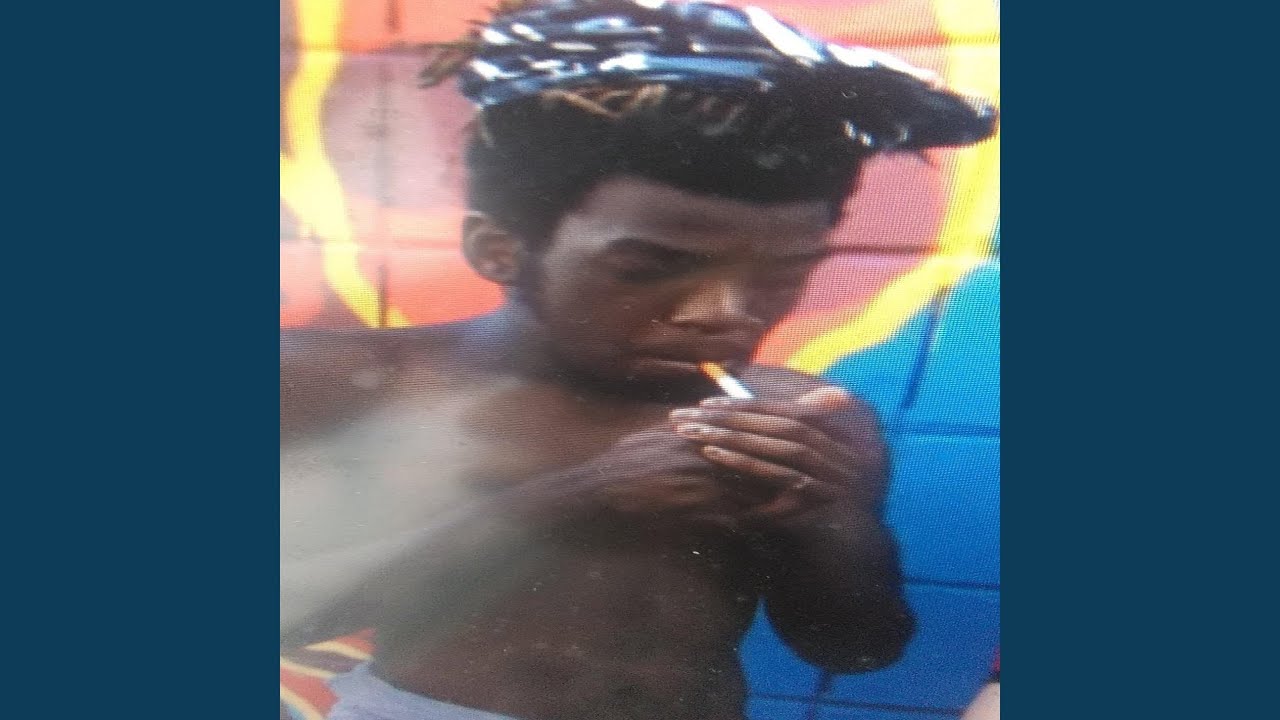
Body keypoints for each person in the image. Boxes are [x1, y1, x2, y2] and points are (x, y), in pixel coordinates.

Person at [280, 2, 998, 719]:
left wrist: (832, 524)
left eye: (783, 273)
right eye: (651, 267)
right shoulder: (356, 380)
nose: (723, 312)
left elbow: (856, 650)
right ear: (497, 249)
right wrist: (580, 499)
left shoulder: (808, 418)